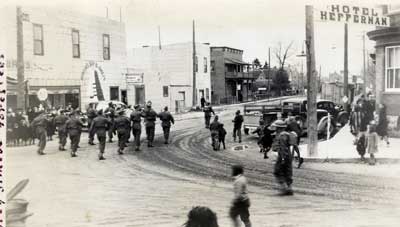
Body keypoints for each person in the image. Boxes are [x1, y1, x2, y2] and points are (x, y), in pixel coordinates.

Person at [270, 119, 293, 195]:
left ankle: (283, 188)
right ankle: (289, 188)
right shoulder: (287, 134)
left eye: (276, 128)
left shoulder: (281, 136)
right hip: (288, 155)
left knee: (277, 171)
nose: (275, 129)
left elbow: (283, 147)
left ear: (279, 128)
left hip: (282, 155)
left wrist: (282, 158)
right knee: (288, 171)